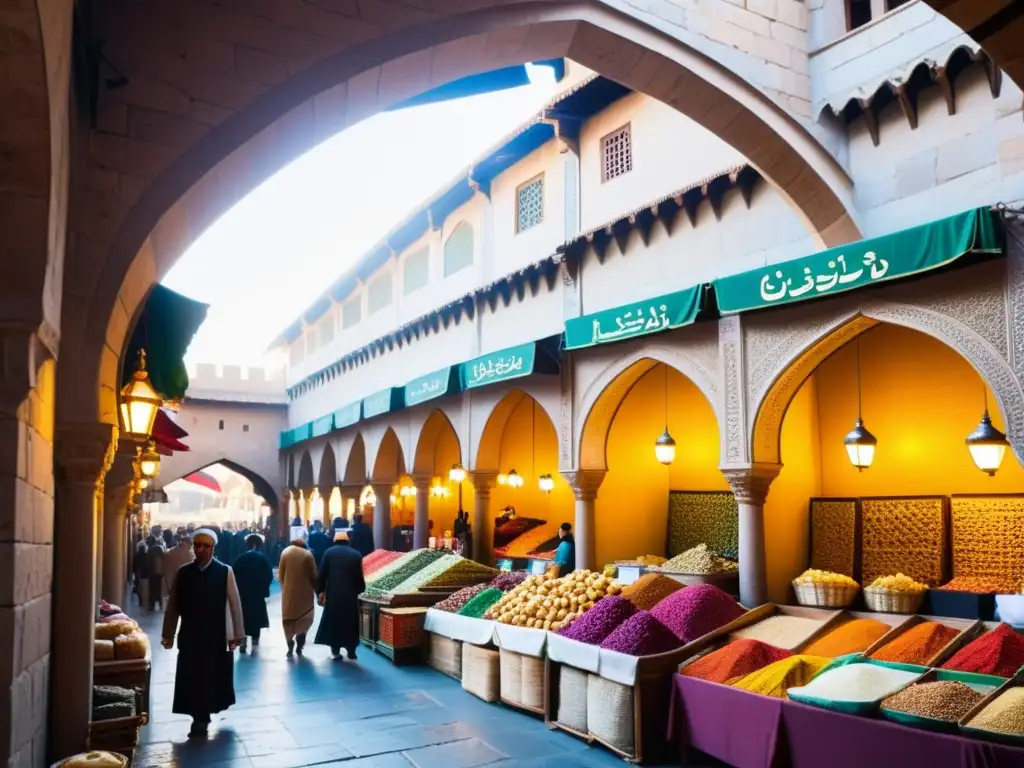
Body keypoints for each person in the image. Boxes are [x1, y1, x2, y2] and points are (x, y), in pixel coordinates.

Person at [161, 528, 244, 739]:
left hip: (216, 637)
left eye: (205, 546)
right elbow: (173, 606)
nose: (200, 550)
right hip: (190, 636)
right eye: (197, 546)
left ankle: (203, 717)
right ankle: (199, 717)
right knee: (192, 677)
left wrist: (237, 634)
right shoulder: (183, 573)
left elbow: (235, 605)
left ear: (212, 548)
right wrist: (168, 634)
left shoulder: (225, 571)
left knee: (211, 677)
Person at [314, 530, 365, 660]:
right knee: (350, 622)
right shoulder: (356, 554)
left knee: (334, 622)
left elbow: (322, 574)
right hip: (350, 594)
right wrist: (360, 589)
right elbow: (359, 576)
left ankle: (335, 652)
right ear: (348, 541)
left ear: (334, 541)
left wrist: (319, 590)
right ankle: (351, 651)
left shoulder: (329, 553)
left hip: (334, 594)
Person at [278, 528, 317, 658]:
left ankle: (289, 643)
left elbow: (280, 575)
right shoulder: (307, 555)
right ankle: (300, 644)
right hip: (305, 595)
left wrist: (285, 586)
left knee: (288, 620)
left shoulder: (285, 553)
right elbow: (314, 576)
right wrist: (318, 590)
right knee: (305, 619)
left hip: (288, 594)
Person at [233, 534, 273, 653]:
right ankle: (255, 639)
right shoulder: (262, 558)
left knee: (244, 616)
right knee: (256, 617)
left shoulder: (241, 558)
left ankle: (243, 640)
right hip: (257, 594)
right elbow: (269, 575)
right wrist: (264, 589)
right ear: (258, 545)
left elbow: (233, 574)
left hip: (243, 594)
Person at [163, 533, 195, 598]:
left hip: (173, 582)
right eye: (190, 545)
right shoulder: (188, 554)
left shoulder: (170, 551)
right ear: (184, 543)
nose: (190, 546)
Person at [146, 535, 166, 611]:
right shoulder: (161, 547)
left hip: (153, 572)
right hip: (160, 572)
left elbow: (148, 561)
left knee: (152, 590)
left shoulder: (151, 549)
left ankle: (152, 605)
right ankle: (161, 605)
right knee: (160, 589)